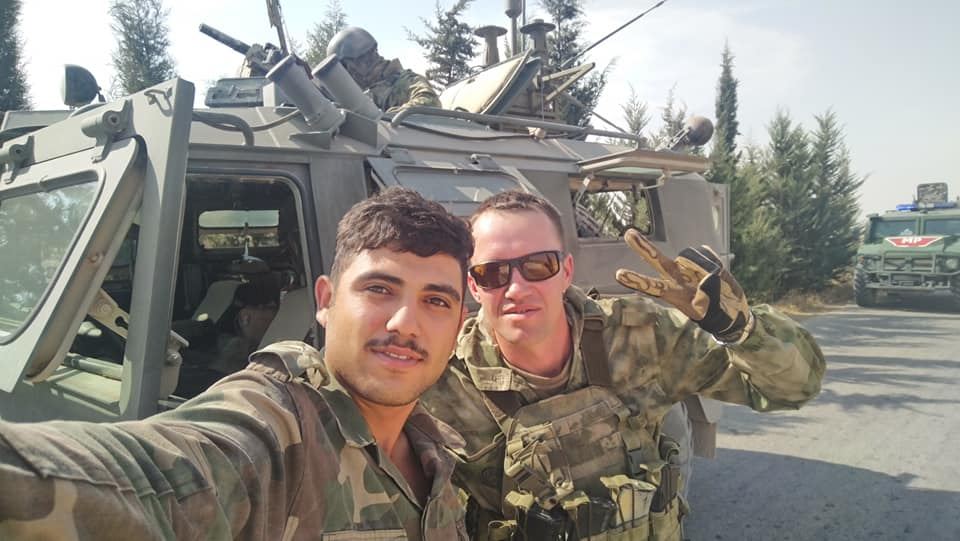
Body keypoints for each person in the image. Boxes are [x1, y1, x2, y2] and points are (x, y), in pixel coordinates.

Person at [0, 187, 473, 540]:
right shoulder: (279, 428)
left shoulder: (440, 452)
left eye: (436, 301)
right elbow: (160, 478)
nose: (406, 322)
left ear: (457, 329)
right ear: (325, 302)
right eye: (379, 289)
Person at [420, 190, 827, 540]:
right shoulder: (440, 380)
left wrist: (742, 330)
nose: (517, 288)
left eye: (538, 266)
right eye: (493, 273)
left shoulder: (642, 337)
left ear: (566, 271)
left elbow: (794, 387)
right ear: (473, 285)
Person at [326, 26, 442, 113]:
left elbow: (430, 103)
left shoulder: (405, 80)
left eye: (347, 69)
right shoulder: (363, 95)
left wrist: (383, 120)